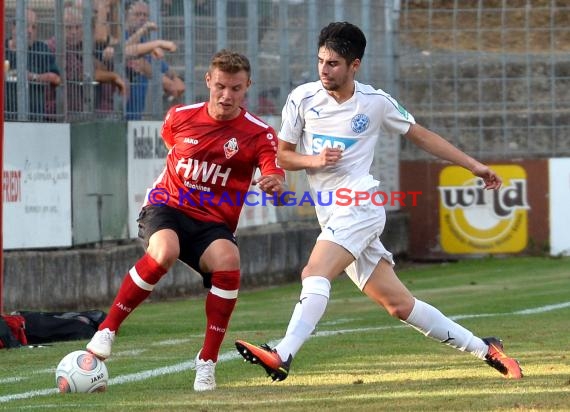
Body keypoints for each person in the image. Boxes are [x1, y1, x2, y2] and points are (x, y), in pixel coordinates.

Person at [235, 22, 523, 382]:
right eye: (321, 61)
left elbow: (422, 136)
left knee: (314, 272)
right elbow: (285, 156)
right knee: (399, 306)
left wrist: (474, 166)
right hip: (333, 213)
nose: (325, 69)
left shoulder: (375, 103)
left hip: (360, 205)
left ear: (355, 65)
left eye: (334, 63)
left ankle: (283, 354)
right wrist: (312, 162)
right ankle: (487, 349)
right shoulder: (302, 98)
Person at [86, 49, 285, 391]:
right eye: (220, 86)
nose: (226, 95)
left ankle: (206, 362)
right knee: (164, 251)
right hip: (167, 206)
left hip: (212, 223)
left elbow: (272, 167)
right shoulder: (180, 116)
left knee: (228, 260)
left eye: (235, 88)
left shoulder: (259, 133)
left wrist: (273, 181)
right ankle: (107, 328)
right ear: (208, 80)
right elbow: (170, 144)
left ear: (247, 86)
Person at [45, 6, 126, 117]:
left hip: (87, 111)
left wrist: (108, 55)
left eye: (78, 27)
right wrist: (112, 76)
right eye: (69, 28)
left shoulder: (85, 45)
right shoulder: (53, 47)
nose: (74, 32)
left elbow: (114, 61)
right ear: (60, 28)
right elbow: (80, 73)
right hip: (59, 113)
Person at [124, 0, 184, 119]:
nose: (141, 18)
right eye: (137, 14)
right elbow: (132, 57)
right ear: (127, 16)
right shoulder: (123, 37)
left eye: (145, 15)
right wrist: (167, 82)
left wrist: (175, 78)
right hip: (121, 109)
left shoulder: (145, 42)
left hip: (137, 111)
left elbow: (163, 67)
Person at [4, 8, 61, 121]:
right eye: (26, 25)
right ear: (14, 27)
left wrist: (34, 77)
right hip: (4, 117)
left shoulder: (41, 49)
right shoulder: (3, 48)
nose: (30, 31)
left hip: (34, 117)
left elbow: (57, 79)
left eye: (33, 27)